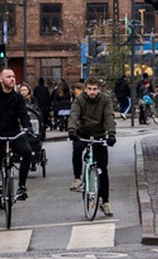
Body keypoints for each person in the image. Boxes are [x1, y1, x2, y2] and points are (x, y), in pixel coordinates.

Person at [0, 68, 34, 227]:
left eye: (13, 76)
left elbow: (23, 115)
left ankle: (22, 187)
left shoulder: (17, 98)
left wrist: (27, 127)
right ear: (1, 80)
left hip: (14, 133)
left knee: (27, 152)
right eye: (8, 77)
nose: (12, 79)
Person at [68, 76, 117, 217]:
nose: (92, 92)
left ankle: (105, 202)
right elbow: (74, 115)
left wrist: (111, 134)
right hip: (82, 132)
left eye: (95, 89)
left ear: (99, 89)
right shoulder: (80, 100)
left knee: (103, 169)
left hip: (99, 133)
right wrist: (72, 130)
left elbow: (109, 117)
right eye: (89, 89)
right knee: (77, 149)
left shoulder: (105, 100)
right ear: (85, 88)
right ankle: (77, 178)